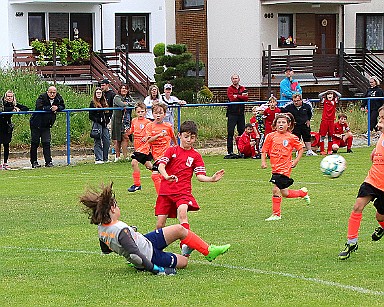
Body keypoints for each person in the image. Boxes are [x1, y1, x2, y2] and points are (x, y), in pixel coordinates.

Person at [79, 182, 231, 275]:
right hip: (149, 257)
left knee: (179, 229)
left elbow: (106, 250)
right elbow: (136, 253)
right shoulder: (121, 231)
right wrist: (156, 269)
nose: (119, 208)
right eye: (117, 206)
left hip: (146, 241)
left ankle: (208, 251)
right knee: (184, 262)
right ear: (112, 209)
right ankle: (186, 251)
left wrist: (123, 241)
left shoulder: (102, 229)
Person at [155, 121, 225, 256]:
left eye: (192, 137)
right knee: (160, 225)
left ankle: (185, 246)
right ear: (179, 135)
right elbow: (161, 166)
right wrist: (167, 176)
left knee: (182, 213)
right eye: (186, 136)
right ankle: (155, 250)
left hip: (183, 192)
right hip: (165, 192)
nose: (189, 140)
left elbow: (200, 176)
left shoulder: (196, 156)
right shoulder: (171, 150)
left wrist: (211, 178)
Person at [338, 105, 384, 260]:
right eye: (380, 118)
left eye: (383, 118)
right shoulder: (382, 135)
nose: (380, 122)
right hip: (372, 179)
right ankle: (352, 242)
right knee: (358, 206)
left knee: (380, 216)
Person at [261, 113, 311, 221]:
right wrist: (263, 162)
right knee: (285, 193)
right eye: (279, 122)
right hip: (275, 168)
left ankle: (276, 215)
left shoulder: (291, 137)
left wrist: (296, 160)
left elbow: (301, 148)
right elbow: (264, 150)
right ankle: (302, 193)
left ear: (288, 125)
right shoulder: (270, 136)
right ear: (275, 124)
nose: (281, 124)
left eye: (283, 122)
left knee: (275, 189)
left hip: (285, 168)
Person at [29, 86, 65, 168]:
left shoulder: (58, 98)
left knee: (46, 143)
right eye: (50, 92)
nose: (52, 94)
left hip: (46, 125)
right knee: (35, 143)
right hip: (36, 124)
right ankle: (34, 162)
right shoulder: (42, 97)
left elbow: (63, 106)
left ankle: (48, 162)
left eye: (54, 92)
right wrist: (50, 108)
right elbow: (39, 106)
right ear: (47, 92)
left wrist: (57, 108)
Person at [146, 103, 177, 194]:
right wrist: (158, 135)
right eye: (156, 113)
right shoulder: (149, 126)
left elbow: (173, 137)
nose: (158, 115)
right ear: (152, 114)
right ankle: (169, 195)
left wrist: (176, 146)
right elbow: (149, 140)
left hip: (166, 154)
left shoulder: (168, 126)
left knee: (155, 175)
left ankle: (161, 197)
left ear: (164, 114)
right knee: (163, 176)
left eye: (160, 113)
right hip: (156, 154)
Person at [127, 102, 152, 192]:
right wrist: (127, 132)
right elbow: (132, 130)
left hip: (145, 146)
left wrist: (147, 137)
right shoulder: (134, 121)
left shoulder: (148, 122)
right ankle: (164, 177)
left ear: (145, 112)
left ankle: (137, 184)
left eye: (142, 111)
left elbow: (151, 133)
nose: (140, 114)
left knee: (134, 162)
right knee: (149, 166)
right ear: (135, 112)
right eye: (138, 112)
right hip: (137, 145)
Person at [0, 90, 29, 170]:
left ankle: (5, 163)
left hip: (7, 126)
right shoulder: (2, 103)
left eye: (11, 96)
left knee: (6, 145)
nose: (9, 98)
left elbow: (25, 108)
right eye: (8, 96)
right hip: (0, 125)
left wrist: (17, 109)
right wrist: (13, 108)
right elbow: (4, 110)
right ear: (5, 97)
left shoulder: (14, 104)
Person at [225, 74, 248, 158]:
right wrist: (240, 97)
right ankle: (230, 151)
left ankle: (241, 150)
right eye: (233, 79)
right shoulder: (229, 89)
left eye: (236, 78)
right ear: (232, 80)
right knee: (230, 132)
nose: (235, 80)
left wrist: (237, 96)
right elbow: (231, 98)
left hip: (241, 114)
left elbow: (246, 98)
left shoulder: (243, 88)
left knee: (241, 132)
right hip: (232, 114)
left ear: (239, 79)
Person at [111, 84, 135, 161]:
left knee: (126, 137)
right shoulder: (117, 97)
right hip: (118, 121)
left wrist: (126, 104)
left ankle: (125, 156)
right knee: (118, 139)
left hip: (127, 121)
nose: (124, 90)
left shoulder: (128, 98)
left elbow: (134, 104)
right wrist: (126, 104)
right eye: (122, 88)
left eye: (126, 88)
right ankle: (117, 157)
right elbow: (121, 104)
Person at [89, 88, 111, 164]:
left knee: (107, 140)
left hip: (104, 124)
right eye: (97, 93)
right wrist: (98, 120)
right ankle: (98, 158)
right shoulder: (92, 103)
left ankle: (105, 158)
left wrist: (107, 120)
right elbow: (90, 115)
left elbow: (108, 113)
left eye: (100, 93)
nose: (99, 94)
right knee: (97, 140)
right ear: (95, 94)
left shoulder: (104, 103)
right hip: (97, 124)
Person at [318, 89, 341, 155]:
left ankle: (329, 150)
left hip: (331, 121)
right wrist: (326, 91)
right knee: (322, 135)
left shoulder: (334, 101)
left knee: (330, 135)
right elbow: (319, 95)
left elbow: (340, 95)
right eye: (328, 94)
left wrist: (333, 91)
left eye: (331, 94)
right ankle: (322, 150)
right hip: (324, 120)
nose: (330, 95)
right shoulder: (324, 101)